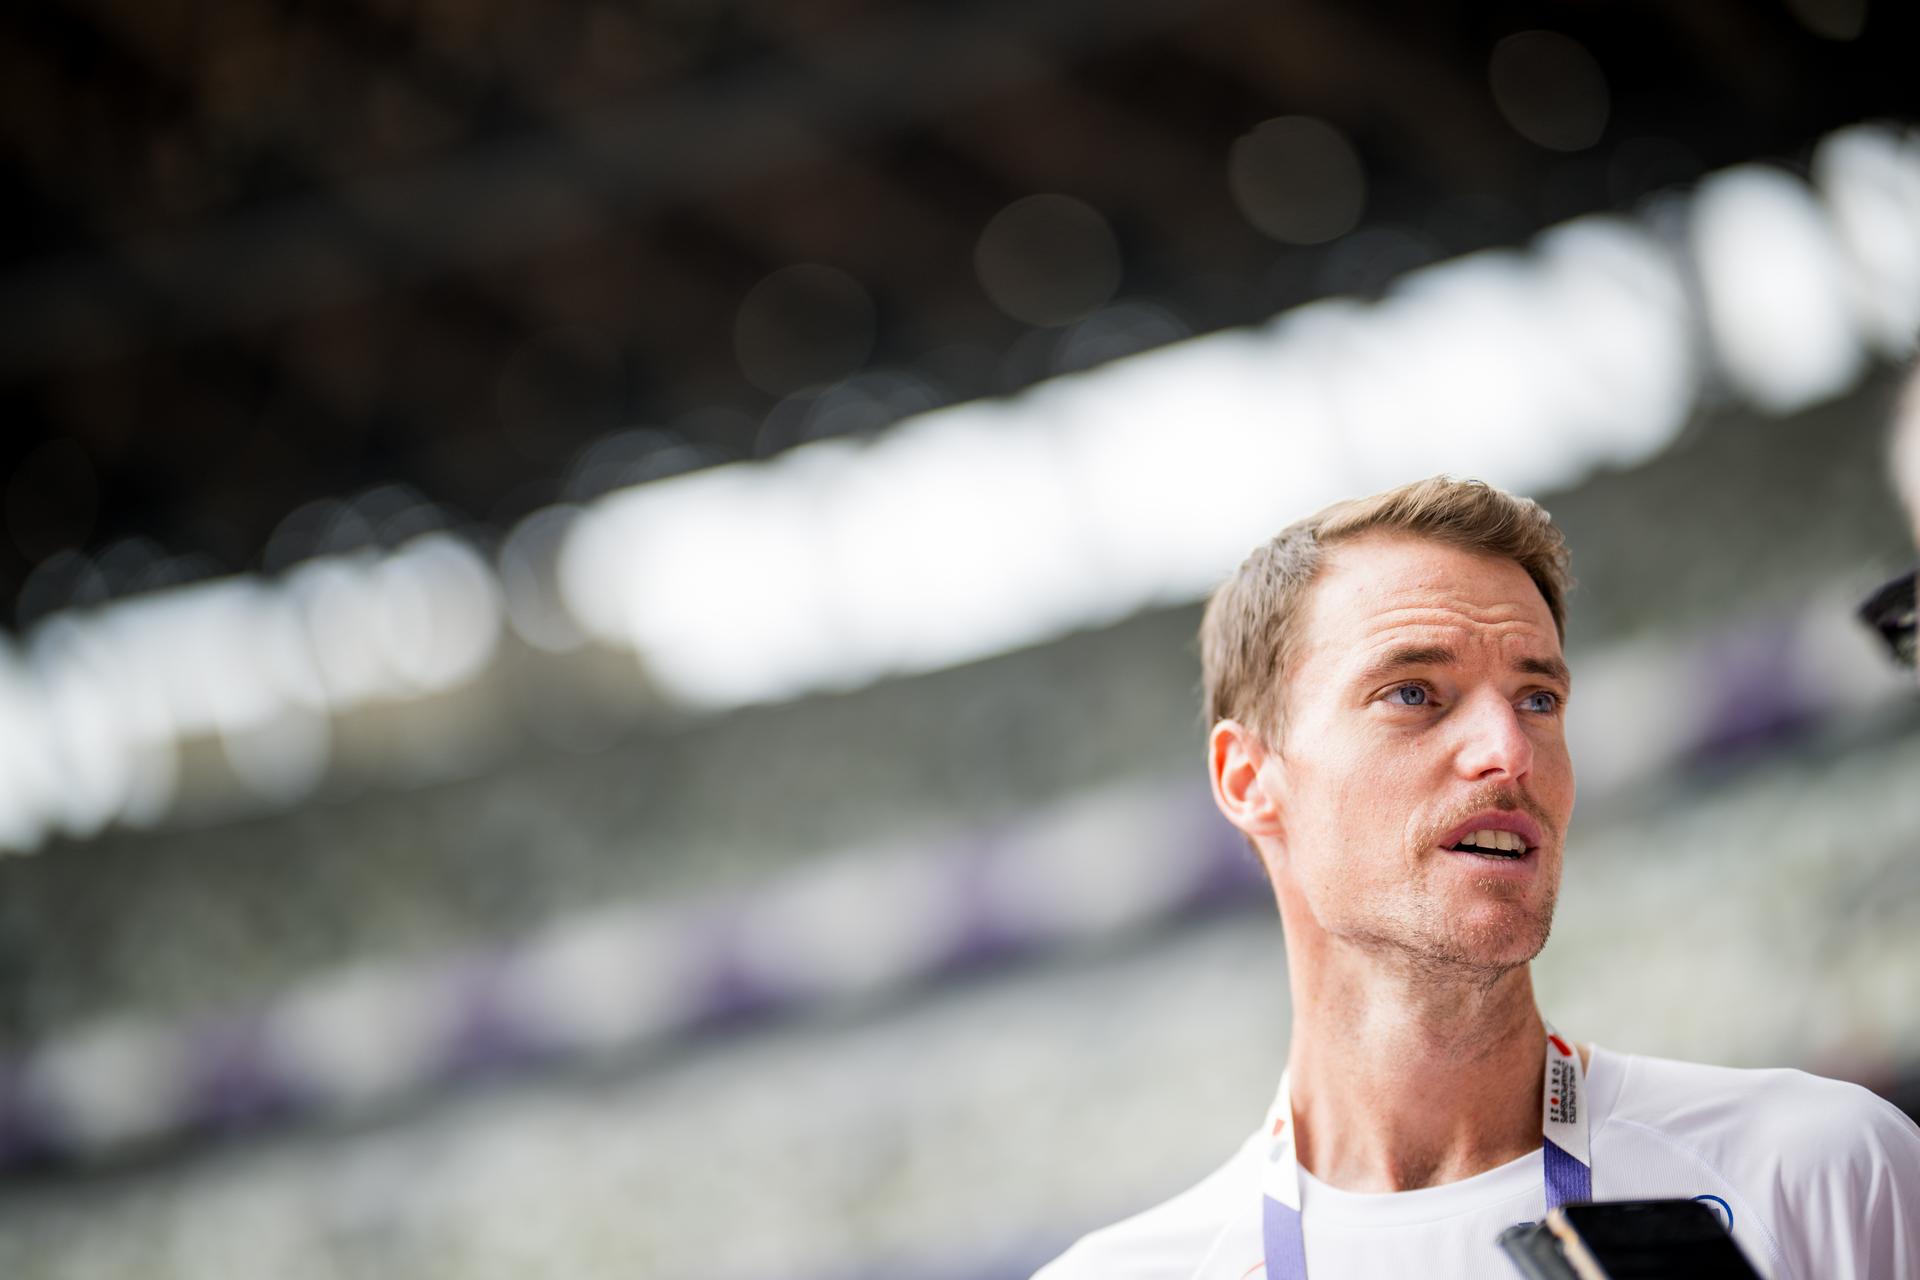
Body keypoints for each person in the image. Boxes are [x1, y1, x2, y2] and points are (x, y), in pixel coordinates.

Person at [1034, 477, 1920, 1280]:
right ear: (1248, 779)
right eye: (1414, 692)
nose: (1508, 752)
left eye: (1539, 698)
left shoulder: (1816, 1170)